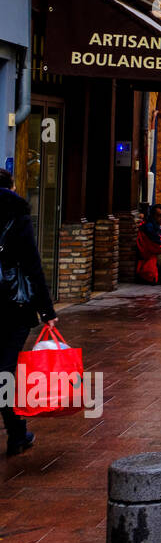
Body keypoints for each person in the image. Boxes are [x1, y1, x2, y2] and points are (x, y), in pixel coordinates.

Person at [0, 169, 56, 457]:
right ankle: (17, 433)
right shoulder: (17, 213)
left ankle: (18, 432)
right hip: (13, 304)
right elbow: (31, 263)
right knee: (5, 371)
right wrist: (46, 309)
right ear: (11, 186)